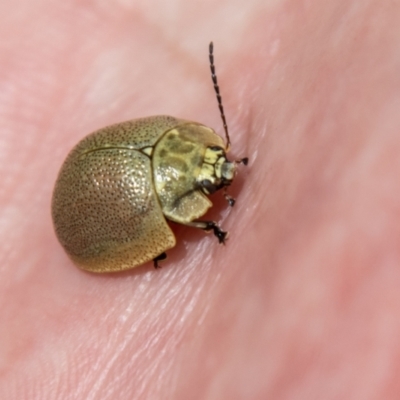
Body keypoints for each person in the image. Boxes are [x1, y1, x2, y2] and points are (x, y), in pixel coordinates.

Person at [1, 1, 398, 398]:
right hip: (87, 220)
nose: (224, 172)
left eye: (214, 163)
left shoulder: (172, 133)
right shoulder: (159, 199)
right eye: (210, 179)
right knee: (160, 231)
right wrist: (210, 226)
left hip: (111, 161)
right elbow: (179, 218)